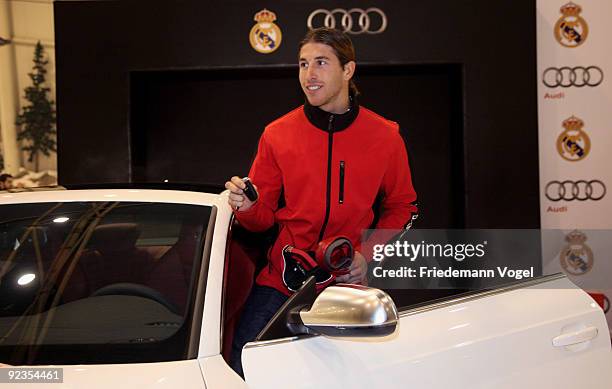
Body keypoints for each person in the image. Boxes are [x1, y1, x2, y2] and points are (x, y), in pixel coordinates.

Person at [225, 27, 418, 376]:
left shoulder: (385, 135)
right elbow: (262, 220)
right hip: (281, 284)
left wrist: (368, 253)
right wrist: (247, 207)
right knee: (243, 366)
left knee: (351, 376)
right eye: (302, 64)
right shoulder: (277, 134)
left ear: (348, 70)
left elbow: (404, 207)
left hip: (346, 283)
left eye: (321, 63)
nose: (309, 75)